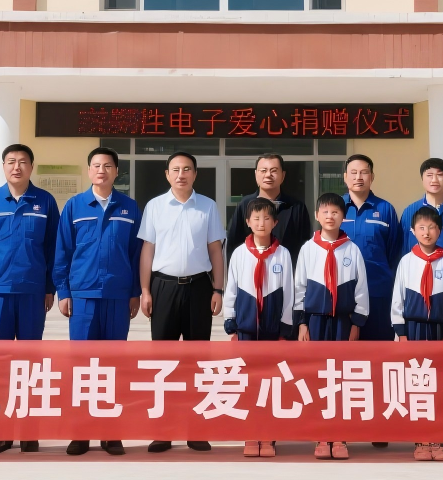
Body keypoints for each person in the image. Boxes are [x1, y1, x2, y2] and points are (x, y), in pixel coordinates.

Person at [0, 143, 60, 455]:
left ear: (31, 167)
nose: (16, 167)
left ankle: (29, 432)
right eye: (11, 161)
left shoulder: (45, 202)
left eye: (22, 162)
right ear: (3, 167)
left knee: (30, 363)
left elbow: (53, 248)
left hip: (32, 292)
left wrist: (50, 287)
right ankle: (0, 432)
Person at [54, 146, 142, 457]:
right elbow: (63, 251)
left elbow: (136, 253)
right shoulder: (74, 206)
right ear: (89, 170)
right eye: (96, 165)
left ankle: (111, 433)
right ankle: (80, 433)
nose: (101, 170)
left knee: (113, 366)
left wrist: (134, 292)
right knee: (82, 366)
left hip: (118, 296)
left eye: (107, 165)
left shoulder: (129, 208)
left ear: (117, 171)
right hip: (83, 296)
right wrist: (64, 291)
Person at [138, 151, 226, 454]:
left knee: (197, 360)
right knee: (163, 362)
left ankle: (195, 430)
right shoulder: (155, 206)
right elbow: (147, 251)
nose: (181, 174)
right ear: (167, 174)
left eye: (187, 169)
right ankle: (163, 431)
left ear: (195, 174)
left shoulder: (208, 206)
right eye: (175, 169)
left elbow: (215, 250)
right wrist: (145, 290)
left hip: (199, 287)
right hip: (163, 286)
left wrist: (218, 289)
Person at [293, 192, 368, 461]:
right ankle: (321, 435)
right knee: (318, 377)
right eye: (325, 212)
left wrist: (357, 322)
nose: (330, 216)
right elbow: (299, 287)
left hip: (342, 322)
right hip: (315, 321)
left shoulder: (352, 249)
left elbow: (361, 289)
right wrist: (302, 323)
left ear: (343, 217)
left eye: (335, 212)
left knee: (342, 377)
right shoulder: (308, 249)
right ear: (317, 216)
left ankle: (341, 436)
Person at [223, 196, 293, 458]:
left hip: (272, 330)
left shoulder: (283, 254)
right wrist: (230, 319)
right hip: (246, 328)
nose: (261, 223)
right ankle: (250, 434)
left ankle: (269, 435)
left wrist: (286, 326)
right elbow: (231, 288)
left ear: (275, 223)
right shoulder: (239, 254)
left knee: (270, 382)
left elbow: (289, 292)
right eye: (256, 218)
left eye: (267, 218)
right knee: (249, 381)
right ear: (248, 222)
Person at [390, 206, 443, 462]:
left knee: (439, 382)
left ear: (439, 231)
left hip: (438, 330)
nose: (427, 232)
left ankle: (439, 437)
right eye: (421, 227)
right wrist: (401, 332)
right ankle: (420, 438)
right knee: (416, 383)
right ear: (413, 231)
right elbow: (397, 299)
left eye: (432, 227)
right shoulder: (406, 262)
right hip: (413, 330)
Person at [341, 154, 401, 344]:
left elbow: (394, 252)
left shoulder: (385, 209)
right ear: (345, 177)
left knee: (379, 351)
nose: (358, 177)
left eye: (364, 172)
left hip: (378, 293)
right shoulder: (336, 208)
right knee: (344, 353)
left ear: (372, 177)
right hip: (343, 295)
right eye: (353, 173)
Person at [224, 153, 313, 264]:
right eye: (263, 170)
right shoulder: (245, 205)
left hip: (287, 270)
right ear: (256, 174)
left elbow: (305, 244)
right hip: (251, 269)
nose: (268, 175)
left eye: (274, 171)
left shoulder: (296, 207)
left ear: (283, 175)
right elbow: (234, 242)